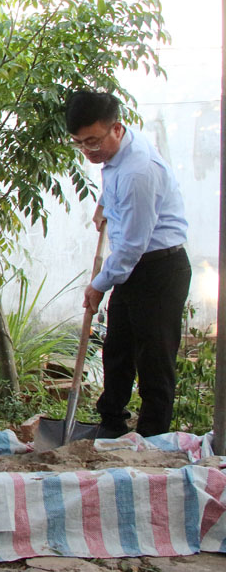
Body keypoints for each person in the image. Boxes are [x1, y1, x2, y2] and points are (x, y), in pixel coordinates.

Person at [65, 90, 191, 438]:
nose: (88, 150)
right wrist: (104, 204)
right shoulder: (117, 154)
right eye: (79, 143)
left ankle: (153, 437)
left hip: (159, 269)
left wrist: (99, 284)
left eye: (93, 141)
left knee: (154, 357)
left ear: (116, 129)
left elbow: (133, 245)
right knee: (117, 347)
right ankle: (112, 422)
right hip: (134, 266)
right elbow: (113, 181)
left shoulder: (140, 170)